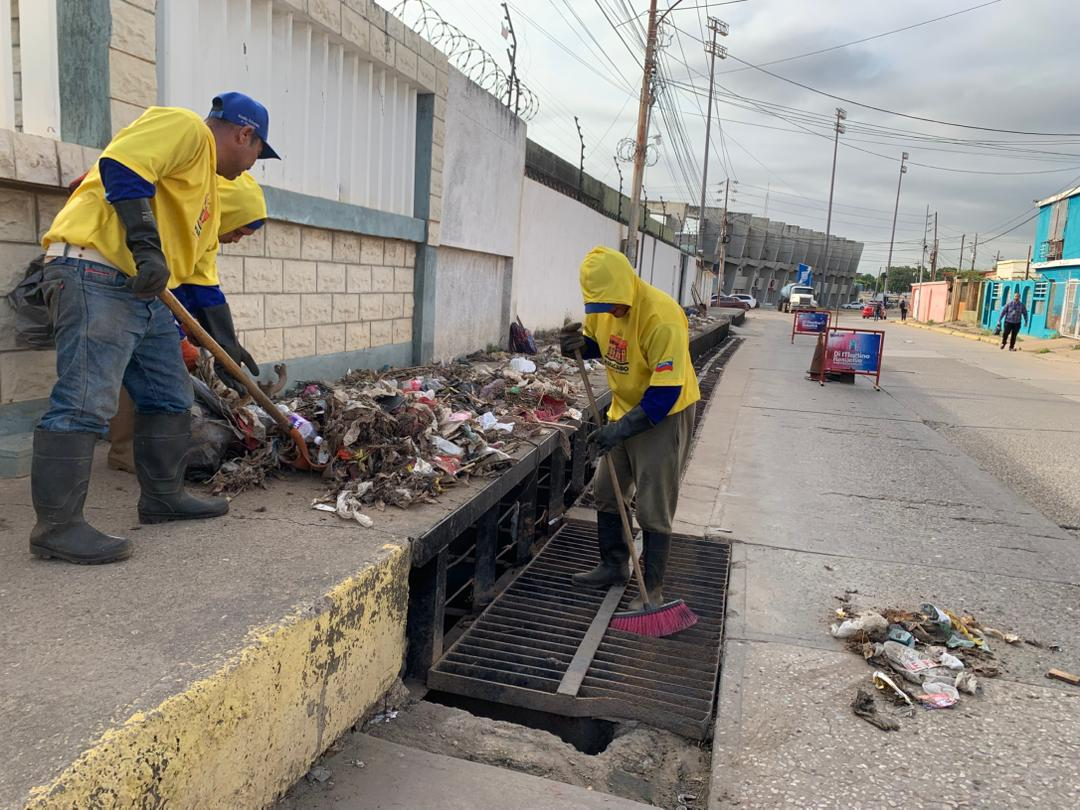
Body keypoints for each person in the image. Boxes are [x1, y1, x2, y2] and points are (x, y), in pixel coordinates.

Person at [32, 92, 279, 565]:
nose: (252, 166)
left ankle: (162, 498)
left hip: (143, 296)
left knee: (169, 395)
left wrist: (230, 351)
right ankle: (56, 528)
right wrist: (146, 247)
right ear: (244, 133)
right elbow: (122, 165)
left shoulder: (204, 200)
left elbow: (202, 290)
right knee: (85, 401)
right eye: (257, 154)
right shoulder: (186, 130)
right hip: (95, 272)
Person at [560, 246, 701, 609]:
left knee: (653, 504)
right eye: (602, 307)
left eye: (615, 305)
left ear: (628, 286)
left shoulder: (662, 315)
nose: (611, 312)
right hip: (623, 408)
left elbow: (664, 393)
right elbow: (605, 347)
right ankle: (612, 565)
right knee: (607, 491)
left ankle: (652, 589)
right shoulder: (603, 306)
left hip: (662, 415)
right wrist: (577, 346)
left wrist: (620, 430)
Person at [108, 171, 268, 473]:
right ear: (229, 213)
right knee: (135, 369)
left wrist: (227, 343)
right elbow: (169, 289)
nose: (236, 240)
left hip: (151, 296)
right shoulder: (179, 219)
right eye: (240, 231)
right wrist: (180, 338)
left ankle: (153, 456)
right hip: (123, 282)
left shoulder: (204, 235)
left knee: (159, 375)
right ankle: (125, 452)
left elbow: (204, 289)